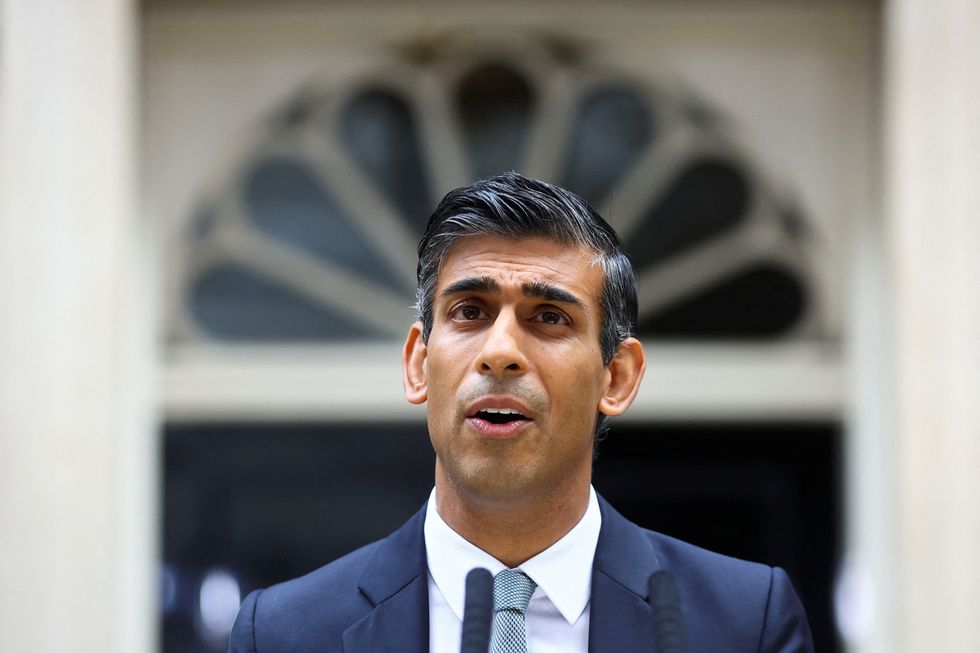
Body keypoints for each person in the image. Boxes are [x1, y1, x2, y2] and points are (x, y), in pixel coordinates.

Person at [228, 172, 814, 653]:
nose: (501, 352)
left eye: (549, 317)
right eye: (470, 311)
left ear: (617, 377)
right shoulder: (285, 632)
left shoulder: (743, 622)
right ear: (417, 364)